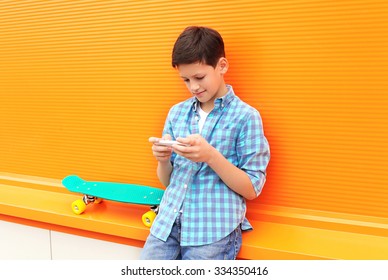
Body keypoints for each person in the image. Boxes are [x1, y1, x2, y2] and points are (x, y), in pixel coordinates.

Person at [140, 26, 270, 260]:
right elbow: (168, 181)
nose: (193, 87)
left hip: (212, 231)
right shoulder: (177, 113)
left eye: (199, 77)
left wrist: (210, 155)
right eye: (186, 80)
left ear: (222, 66)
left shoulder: (246, 117)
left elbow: (252, 189)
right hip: (167, 224)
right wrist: (162, 160)